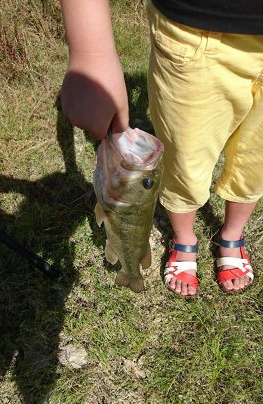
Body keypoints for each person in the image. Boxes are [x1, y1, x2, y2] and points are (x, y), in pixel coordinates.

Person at [60, 0, 263, 298]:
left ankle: (232, 234)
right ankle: (184, 238)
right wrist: (91, 53)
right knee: (184, 161)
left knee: (256, 162)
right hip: (199, 31)